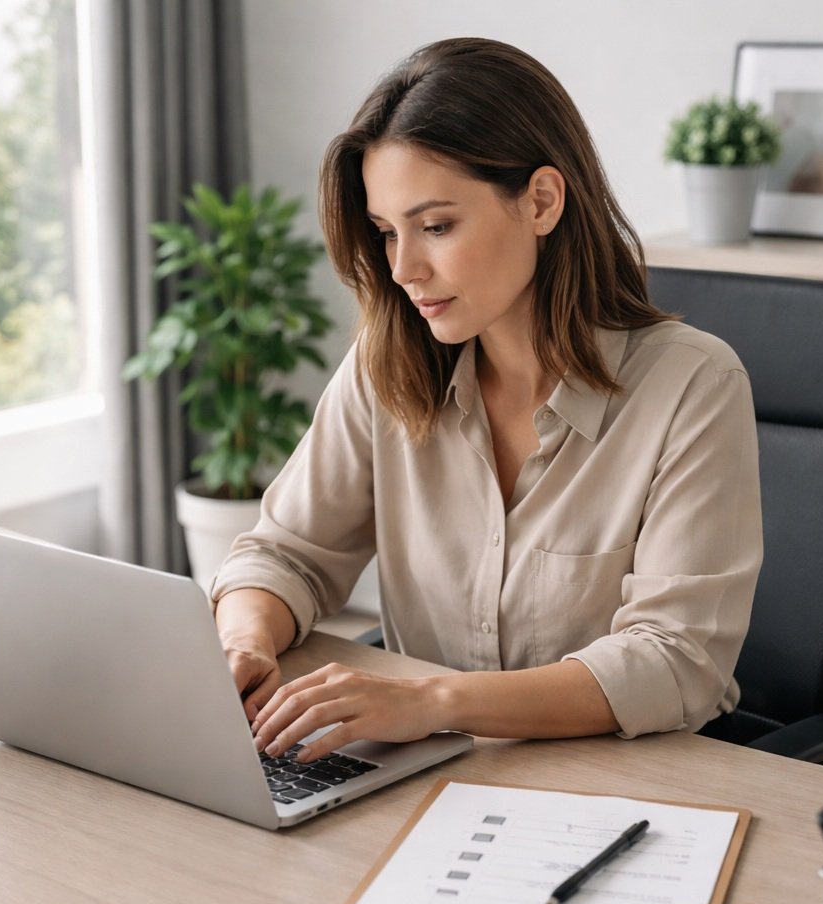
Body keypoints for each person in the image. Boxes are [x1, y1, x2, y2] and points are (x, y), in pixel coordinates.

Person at [211, 37, 762, 764]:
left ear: (540, 201)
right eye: (386, 233)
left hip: (623, 785)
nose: (404, 269)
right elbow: (287, 554)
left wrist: (433, 703)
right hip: (421, 776)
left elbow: (674, 663)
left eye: (436, 226)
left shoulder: (693, 386)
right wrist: (247, 640)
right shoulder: (387, 368)